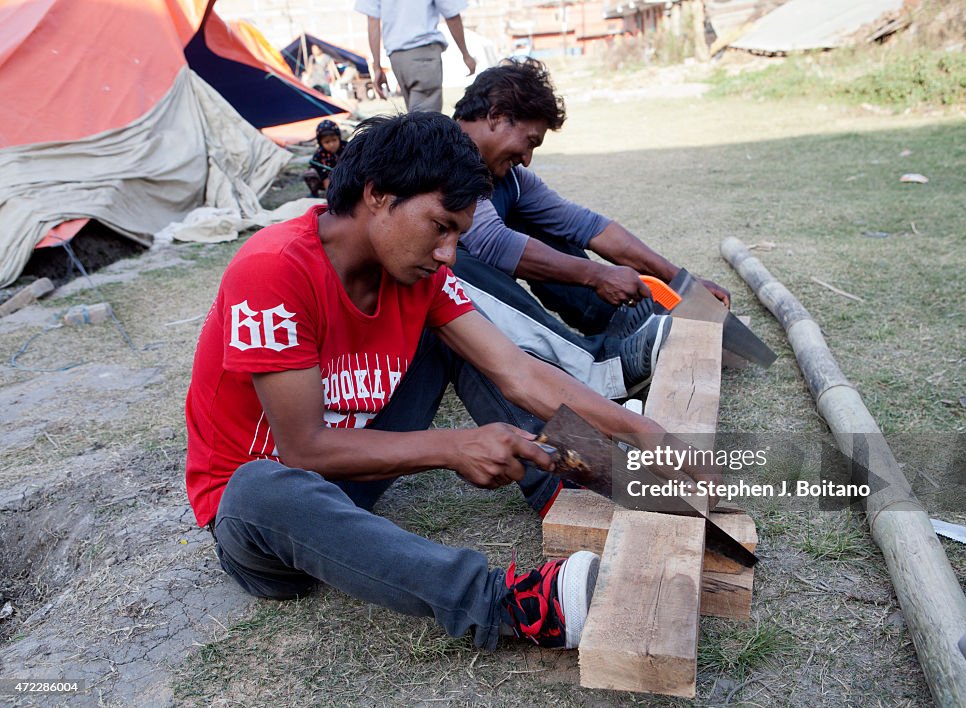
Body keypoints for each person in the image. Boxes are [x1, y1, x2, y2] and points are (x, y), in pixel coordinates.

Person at [184, 113, 672, 652]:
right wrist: (451, 445)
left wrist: (647, 434)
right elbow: (303, 449)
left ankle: (566, 478)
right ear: (378, 195)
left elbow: (519, 372)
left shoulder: (421, 276)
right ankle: (510, 606)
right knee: (255, 485)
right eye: (441, 226)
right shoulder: (273, 270)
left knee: (454, 344)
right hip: (270, 520)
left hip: (348, 477)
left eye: (457, 235)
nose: (448, 253)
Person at [451, 59, 731, 399]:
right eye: (529, 142)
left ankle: (621, 325)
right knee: (462, 265)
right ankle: (599, 367)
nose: (527, 159)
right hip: (430, 322)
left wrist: (679, 281)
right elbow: (493, 243)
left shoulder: (509, 178)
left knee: (540, 223)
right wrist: (596, 275)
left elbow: (585, 225)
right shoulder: (445, 156)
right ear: (496, 115)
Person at [356, 0, 476, 112]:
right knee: (425, 125)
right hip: (423, 52)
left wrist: (377, 66)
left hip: (396, 57)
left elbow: (372, 19)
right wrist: (465, 54)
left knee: (415, 121)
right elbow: (451, 14)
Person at [302, 119, 346, 198]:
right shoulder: (319, 154)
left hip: (346, 176)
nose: (332, 144)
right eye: (327, 142)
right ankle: (315, 193)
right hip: (326, 179)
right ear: (321, 143)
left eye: (334, 140)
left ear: (339, 138)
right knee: (309, 173)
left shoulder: (346, 147)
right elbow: (320, 172)